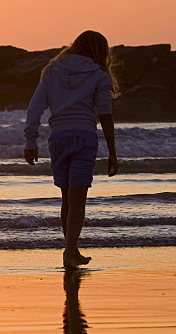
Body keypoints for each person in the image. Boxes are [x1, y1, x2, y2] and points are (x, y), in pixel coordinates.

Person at [23, 30, 120, 269]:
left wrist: (30, 141)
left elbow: (35, 107)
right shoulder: (98, 75)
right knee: (78, 200)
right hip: (84, 138)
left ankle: (72, 251)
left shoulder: (52, 70)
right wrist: (112, 152)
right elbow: (105, 116)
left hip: (58, 139)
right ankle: (69, 254)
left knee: (67, 199)